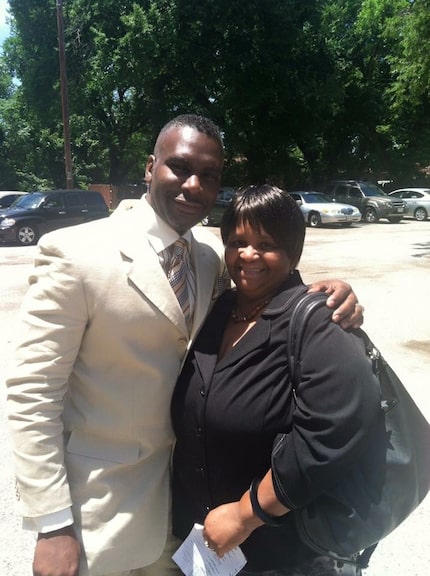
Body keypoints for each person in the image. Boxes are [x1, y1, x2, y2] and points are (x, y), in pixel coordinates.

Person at [6, 115, 362, 576]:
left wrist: (330, 293)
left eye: (209, 175)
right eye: (179, 167)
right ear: (150, 167)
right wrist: (53, 524)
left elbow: (251, 311)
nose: (194, 185)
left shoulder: (208, 260)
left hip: (191, 519)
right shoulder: (75, 254)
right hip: (100, 520)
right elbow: (33, 395)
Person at [171, 184, 382, 576]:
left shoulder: (320, 321)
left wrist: (245, 514)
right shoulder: (220, 308)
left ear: (293, 251)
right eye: (237, 242)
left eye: (265, 244)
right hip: (202, 544)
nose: (248, 255)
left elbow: (332, 432)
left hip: (280, 552)